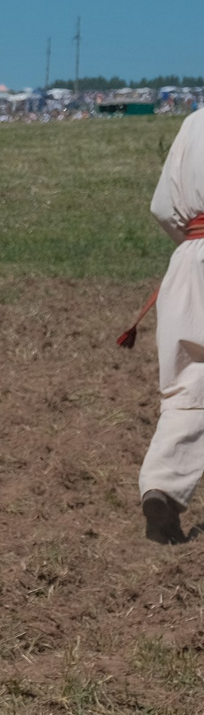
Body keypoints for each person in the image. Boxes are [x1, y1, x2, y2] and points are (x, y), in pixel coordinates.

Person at [132, 107, 204, 542]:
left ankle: (162, 485)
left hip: (189, 261)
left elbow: (163, 207)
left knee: (188, 385)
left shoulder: (195, 122)